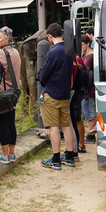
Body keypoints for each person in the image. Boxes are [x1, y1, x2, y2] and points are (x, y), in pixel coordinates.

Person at [38, 23, 76, 170]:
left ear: (50, 36)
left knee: (53, 126)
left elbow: (44, 75)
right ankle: (69, 156)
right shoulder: (68, 51)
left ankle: (55, 159)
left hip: (52, 94)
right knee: (66, 126)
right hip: (65, 94)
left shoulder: (53, 52)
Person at [0, 26, 22, 164]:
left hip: (1, 94)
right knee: (10, 123)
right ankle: (11, 153)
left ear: (6, 39)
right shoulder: (15, 51)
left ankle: (4, 155)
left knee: (2, 124)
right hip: (13, 93)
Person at [80, 35, 97, 144]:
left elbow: (84, 70)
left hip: (88, 88)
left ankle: (91, 135)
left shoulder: (90, 56)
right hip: (86, 88)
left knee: (90, 112)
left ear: (87, 44)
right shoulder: (85, 55)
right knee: (87, 111)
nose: (80, 47)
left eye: (82, 44)